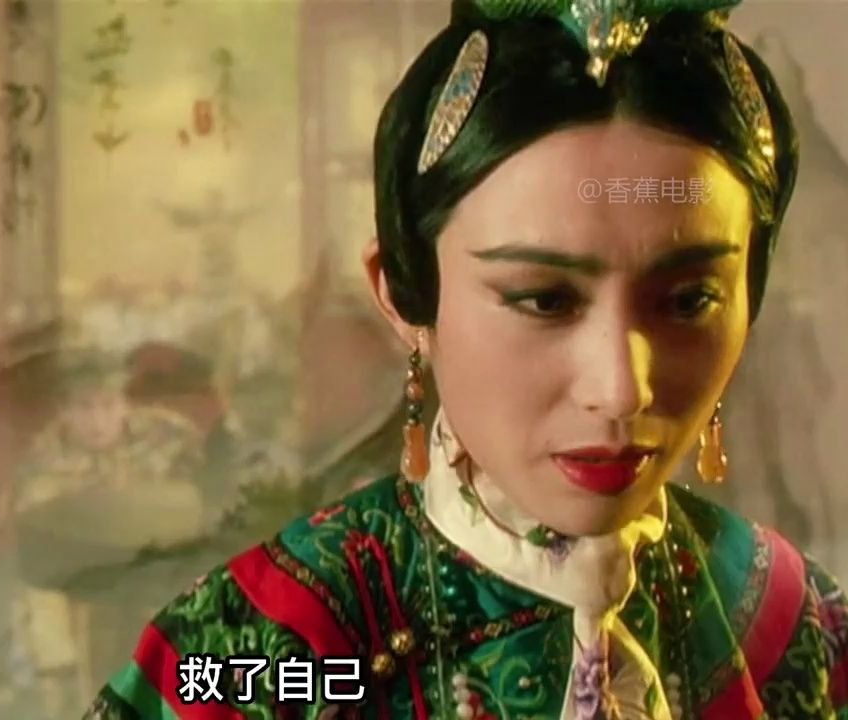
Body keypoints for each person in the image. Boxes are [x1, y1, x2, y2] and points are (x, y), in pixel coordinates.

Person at [81, 0, 848, 717]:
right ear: (404, 293)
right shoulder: (256, 647)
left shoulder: (797, 625)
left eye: (688, 301)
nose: (621, 387)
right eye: (544, 299)